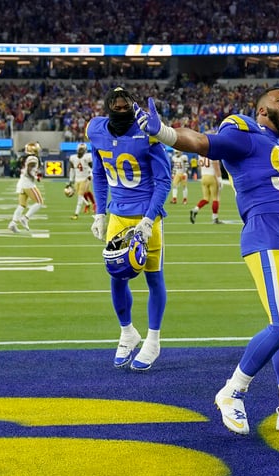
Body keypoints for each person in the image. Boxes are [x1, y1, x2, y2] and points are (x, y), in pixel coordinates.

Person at [135, 87, 279, 435]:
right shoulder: (244, 132)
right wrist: (162, 132)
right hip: (269, 238)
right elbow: (199, 141)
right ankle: (232, 390)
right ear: (260, 111)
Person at [87, 86, 170, 371]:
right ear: (108, 107)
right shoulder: (95, 130)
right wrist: (99, 212)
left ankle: (154, 340)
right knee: (116, 275)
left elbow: (164, 181)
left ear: (133, 107)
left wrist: (149, 219)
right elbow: (98, 172)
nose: (121, 110)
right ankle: (127, 331)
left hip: (148, 216)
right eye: (116, 106)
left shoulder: (147, 131)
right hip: (117, 216)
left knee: (154, 278)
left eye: (126, 106)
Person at [8, 141, 44, 233]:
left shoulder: (25, 158)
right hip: (28, 183)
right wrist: (36, 177)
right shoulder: (33, 158)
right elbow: (29, 171)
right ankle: (25, 218)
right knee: (39, 202)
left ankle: (13, 223)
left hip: (22, 182)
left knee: (22, 205)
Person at [189, 154, 223, 224]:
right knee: (215, 198)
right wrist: (219, 179)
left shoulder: (200, 155)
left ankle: (195, 209)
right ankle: (215, 218)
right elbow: (216, 167)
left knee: (206, 198)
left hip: (203, 177)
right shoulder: (213, 152)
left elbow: (200, 167)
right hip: (211, 177)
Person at [68, 142, 95, 219]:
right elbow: (72, 170)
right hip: (77, 179)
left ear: (85, 150)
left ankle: (76, 214)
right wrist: (70, 181)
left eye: (82, 150)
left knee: (80, 196)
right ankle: (87, 204)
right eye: (80, 149)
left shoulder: (88, 157)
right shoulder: (73, 158)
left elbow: (92, 168)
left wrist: (90, 176)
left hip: (85, 178)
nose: (81, 151)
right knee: (78, 194)